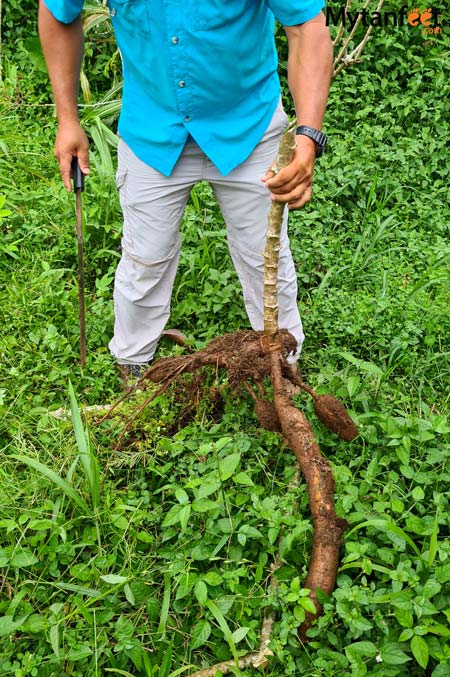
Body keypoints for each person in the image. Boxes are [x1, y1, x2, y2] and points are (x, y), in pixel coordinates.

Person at [38, 0, 333, 379]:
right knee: (145, 255)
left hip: (248, 123)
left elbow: (307, 25)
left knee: (265, 254)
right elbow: (58, 12)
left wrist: (308, 136)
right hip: (152, 126)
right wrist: (67, 119)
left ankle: (282, 365)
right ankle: (132, 363)